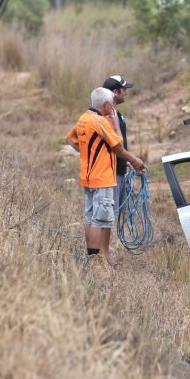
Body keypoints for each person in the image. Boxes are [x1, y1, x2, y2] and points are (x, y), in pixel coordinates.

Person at [67, 86, 145, 267]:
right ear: (107, 104)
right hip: (102, 178)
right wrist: (134, 160)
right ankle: (95, 262)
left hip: (87, 178)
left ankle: (92, 257)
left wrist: (88, 151)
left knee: (90, 218)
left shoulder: (83, 119)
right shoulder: (100, 121)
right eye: (111, 105)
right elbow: (118, 146)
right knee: (100, 220)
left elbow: (71, 139)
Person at [103, 74, 135, 211]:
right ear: (115, 92)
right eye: (124, 89)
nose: (126, 92)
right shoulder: (106, 116)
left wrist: (126, 160)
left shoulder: (118, 114)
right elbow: (115, 145)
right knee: (109, 216)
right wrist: (133, 160)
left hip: (120, 171)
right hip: (111, 174)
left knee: (121, 213)